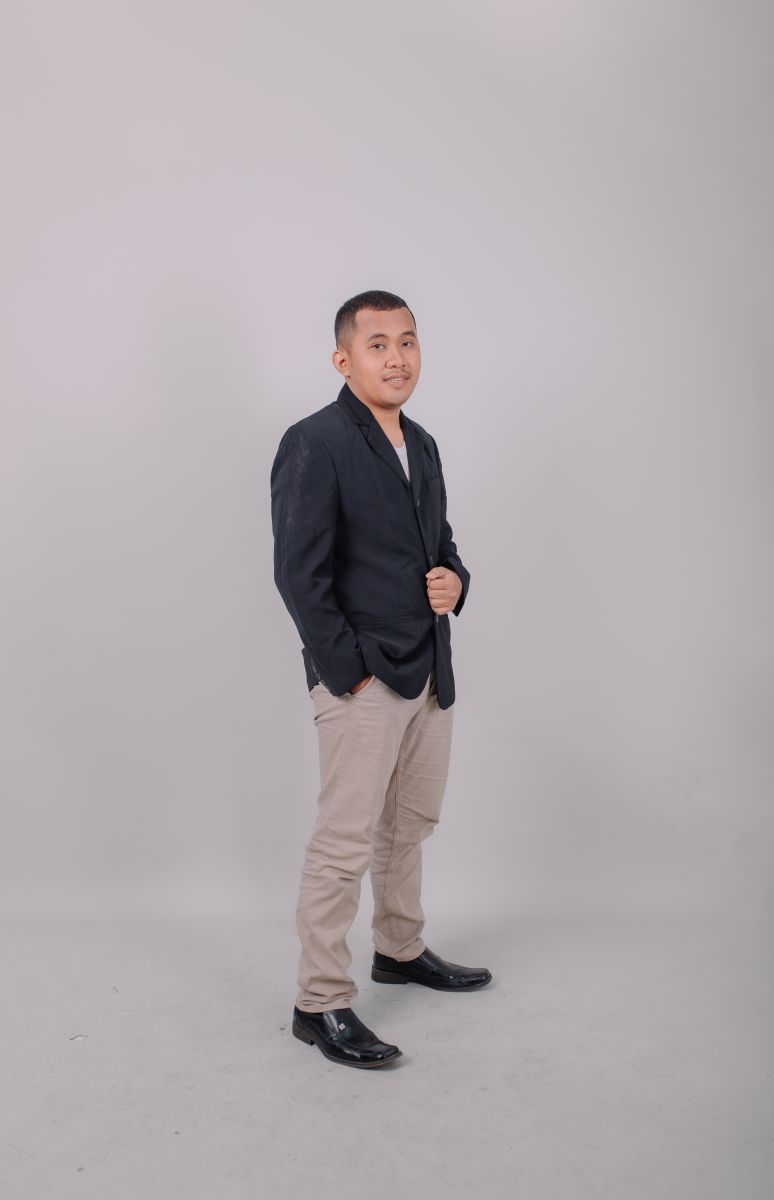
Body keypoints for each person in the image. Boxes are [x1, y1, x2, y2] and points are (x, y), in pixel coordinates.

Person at [270, 290, 492, 1070]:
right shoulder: (314, 442)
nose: (397, 358)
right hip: (362, 678)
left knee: (410, 825)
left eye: (408, 341)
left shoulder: (421, 442)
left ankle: (399, 949)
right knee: (345, 843)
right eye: (378, 345)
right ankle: (319, 1002)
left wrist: (456, 581)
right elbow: (298, 576)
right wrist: (349, 675)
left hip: (430, 668)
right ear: (344, 359)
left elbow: (441, 543)